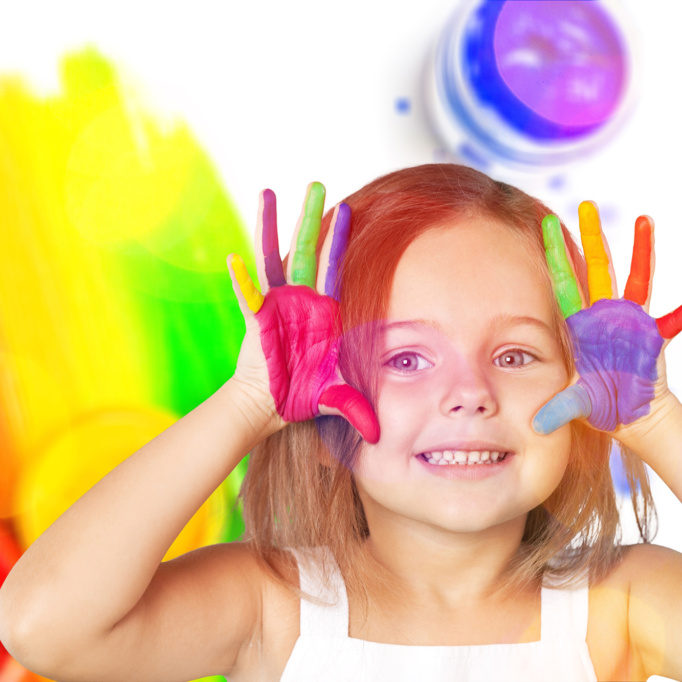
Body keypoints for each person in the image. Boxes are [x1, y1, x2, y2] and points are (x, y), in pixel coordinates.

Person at [0, 164, 681, 681]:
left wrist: (655, 420)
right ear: (326, 421)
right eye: (407, 358)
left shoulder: (621, 603)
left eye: (515, 354)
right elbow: (42, 624)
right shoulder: (272, 605)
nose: (470, 393)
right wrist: (247, 405)